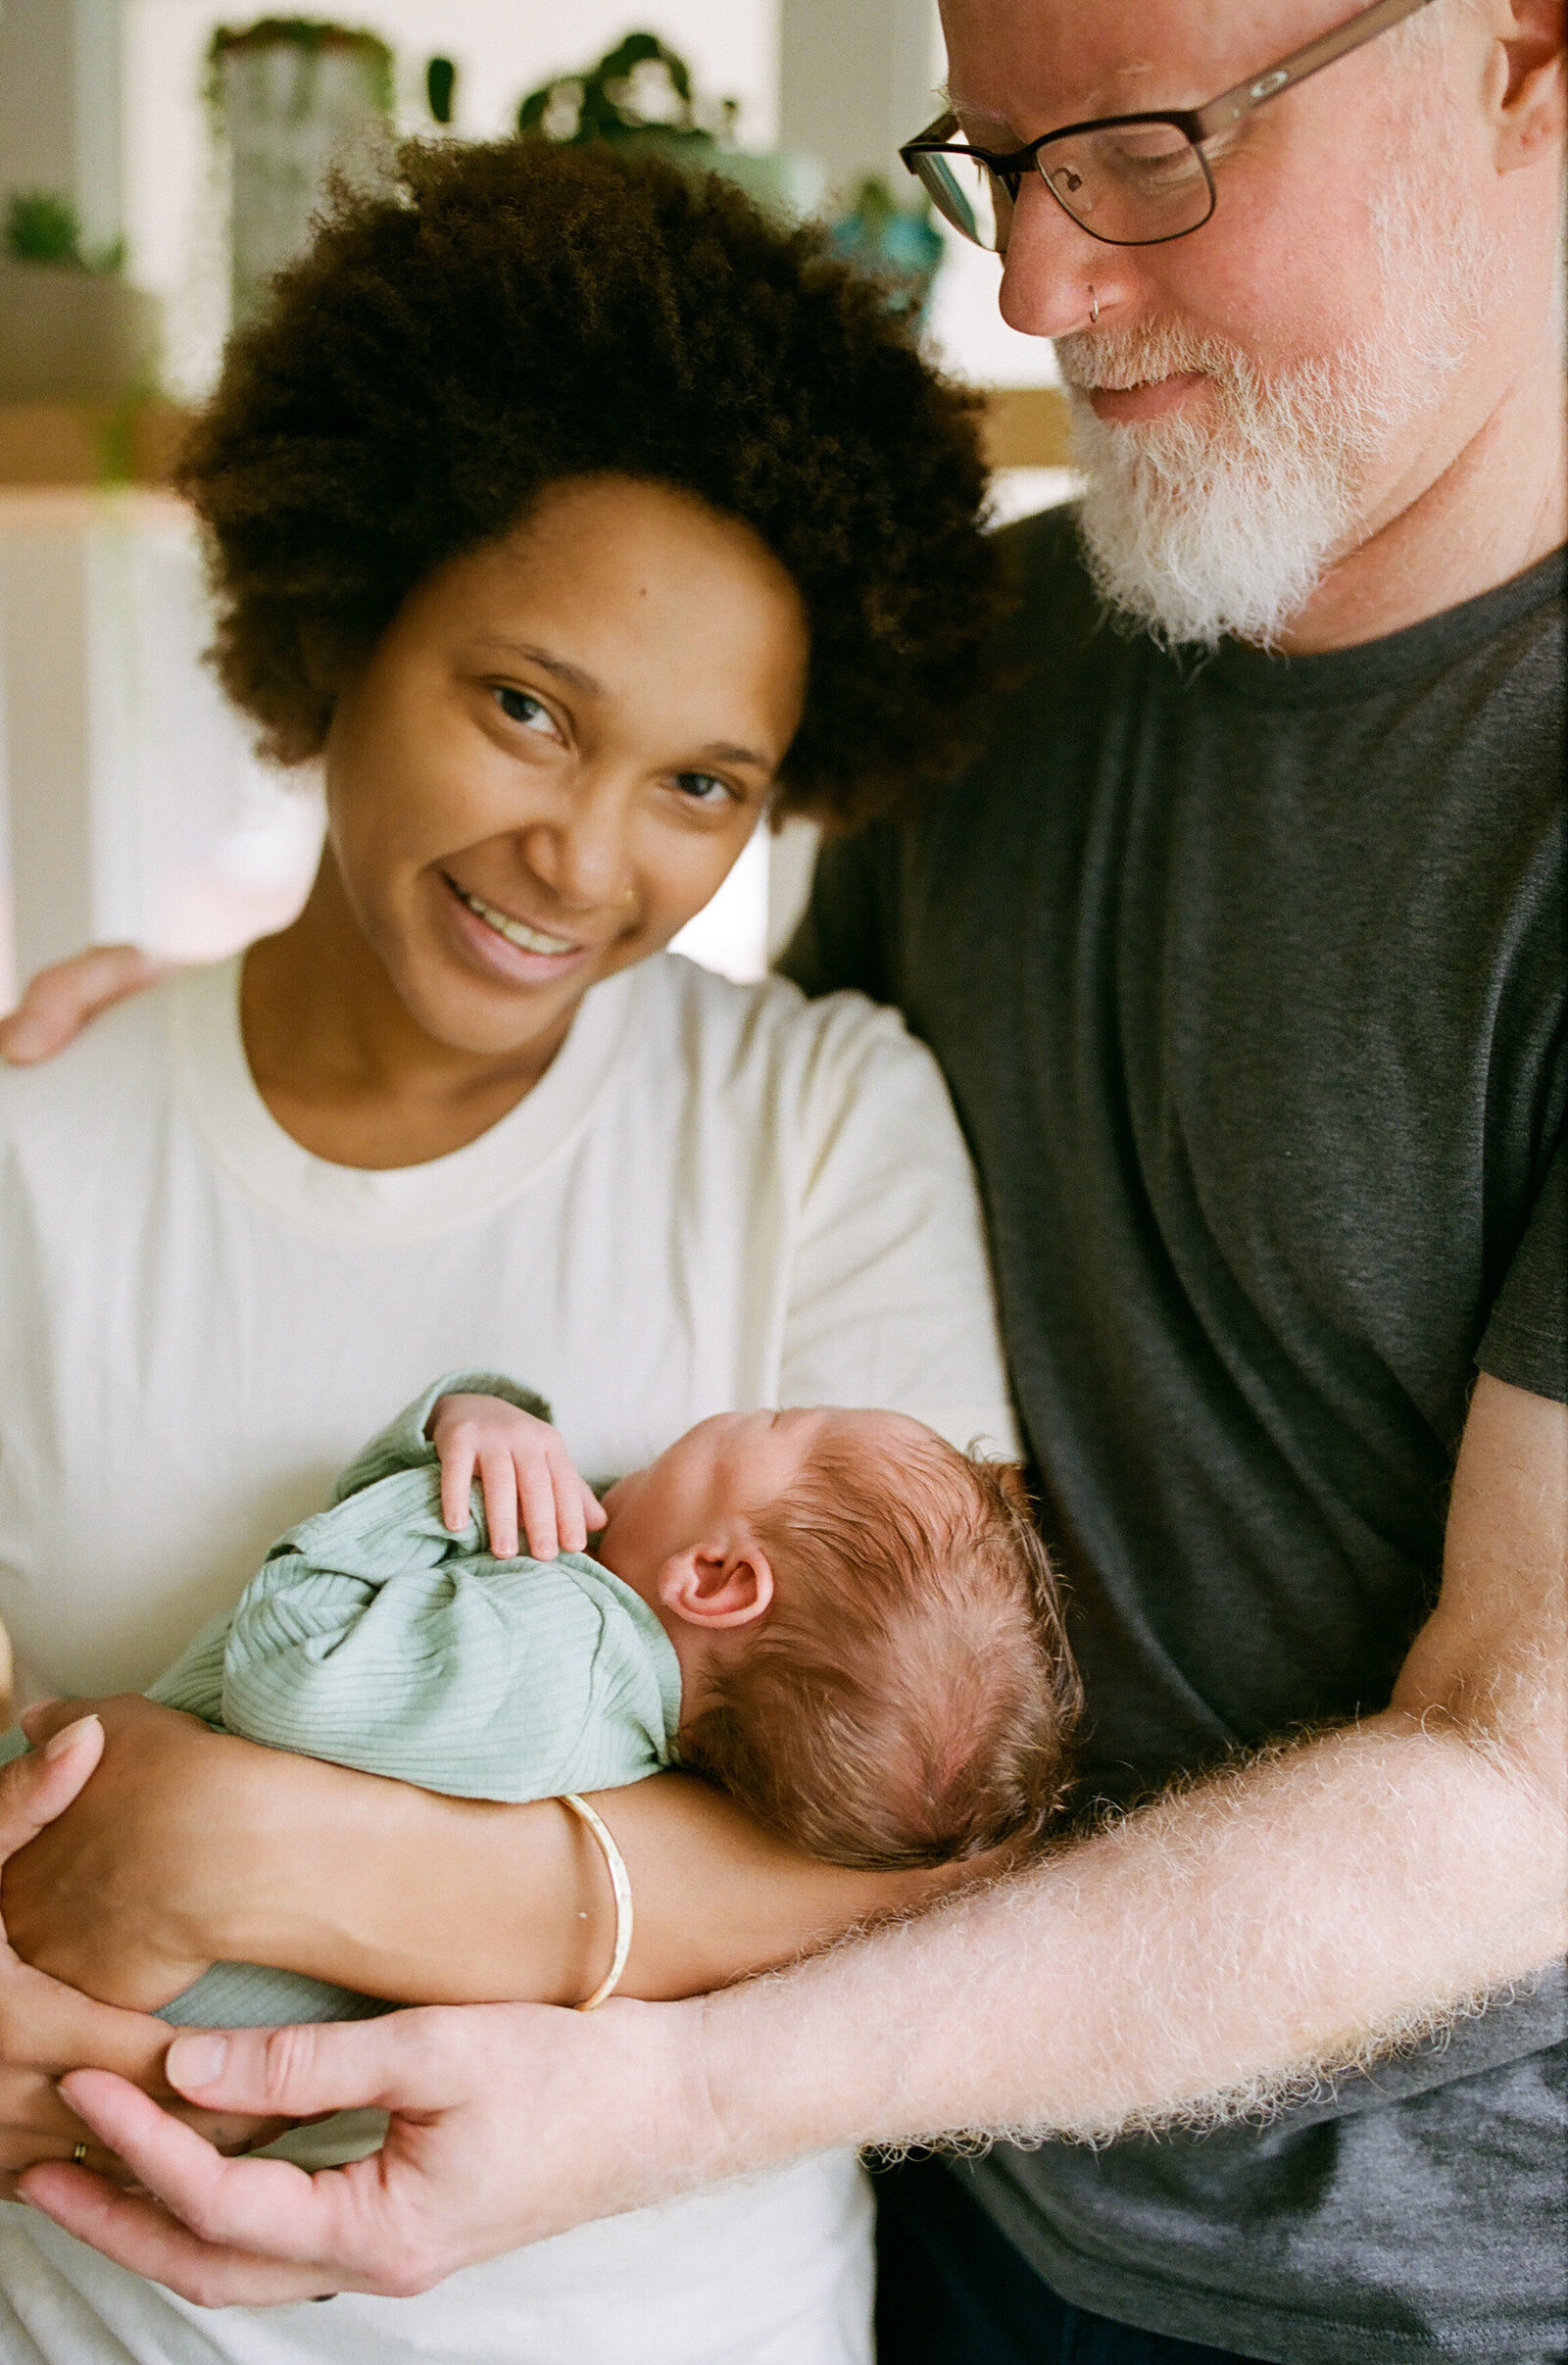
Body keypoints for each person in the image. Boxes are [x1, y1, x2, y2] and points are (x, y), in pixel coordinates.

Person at [1, 0, 1563, 2357]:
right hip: (927, 2200)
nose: (1028, 290)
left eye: (1141, 149)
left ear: (1523, 53)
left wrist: (630, 2065)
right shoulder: (1023, 665)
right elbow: (583, 1027)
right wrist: (174, 1035)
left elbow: (1516, 1766)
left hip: (1394, 2286)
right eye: (991, 160)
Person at [0, 134, 1027, 2365]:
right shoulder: (36, 1145)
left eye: (703, 783)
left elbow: (932, 1857)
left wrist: (250, 1847)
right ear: (355, 610)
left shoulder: (820, 1121)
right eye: (527, 705)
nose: (580, 856)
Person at [0, 1375, 1074, 2034]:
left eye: (775, 1419)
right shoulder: (619, 1740)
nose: (727, 1413)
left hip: (67, 1904)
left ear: (711, 1578)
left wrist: (447, 1485)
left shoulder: (560, 1644)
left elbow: (291, 1666)